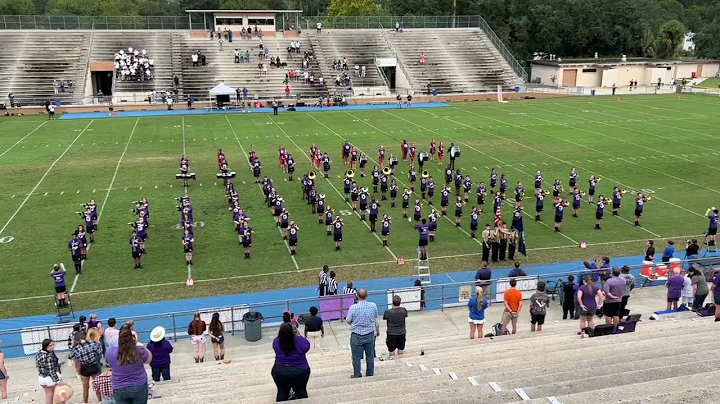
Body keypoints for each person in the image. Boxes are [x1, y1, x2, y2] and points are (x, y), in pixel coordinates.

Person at [106, 326, 152, 404]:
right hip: (139, 385)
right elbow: (149, 359)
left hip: (119, 387)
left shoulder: (109, 352)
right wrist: (137, 343)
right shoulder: (139, 350)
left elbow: (108, 363)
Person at [272, 323, 311, 401]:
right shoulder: (299, 340)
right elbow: (306, 347)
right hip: (299, 371)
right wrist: (298, 335)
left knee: (282, 392)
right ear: (294, 331)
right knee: (301, 391)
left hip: (279, 371)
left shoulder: (276, 341)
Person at [346, 288, 379, 378]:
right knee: (370, 355)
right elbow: (375, 318)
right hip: (369, 334)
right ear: (367, 296)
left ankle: (357, 374)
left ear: (357, 296)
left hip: (356, 335)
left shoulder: (353, 308)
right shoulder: (373, 306)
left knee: (356, 357)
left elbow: (348, 320)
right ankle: (370, 373)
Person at [69, 329, 103, 404]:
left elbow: (73, 359)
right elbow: (100, 353)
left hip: (85, 368)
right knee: (97, 386)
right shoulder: (93, 344)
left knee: (85, 388)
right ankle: (100, 401)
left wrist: (78, 372)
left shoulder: (76, 349)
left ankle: (85, 402)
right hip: (95, 366)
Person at [36, 339, 66, 404]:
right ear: (45, 347)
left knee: (48, 395)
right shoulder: (49, 356)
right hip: (49, 379)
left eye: (53, 344)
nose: (52, 347)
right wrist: (58, 381)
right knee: (59, 395)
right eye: (50, 345)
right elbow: (51, 370)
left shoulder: (39, 354)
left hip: (41, 377)